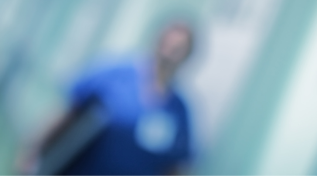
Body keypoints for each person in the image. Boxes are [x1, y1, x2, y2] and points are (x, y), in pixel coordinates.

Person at [18, 21, 196, 176]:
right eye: (169, 44)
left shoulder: (179, 111)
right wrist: (32, 151)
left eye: (179, 49)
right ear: (158, 41)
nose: (170, 53)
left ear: (188, 56)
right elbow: (66, 112)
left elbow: (175, 166)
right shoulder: (112, 74)